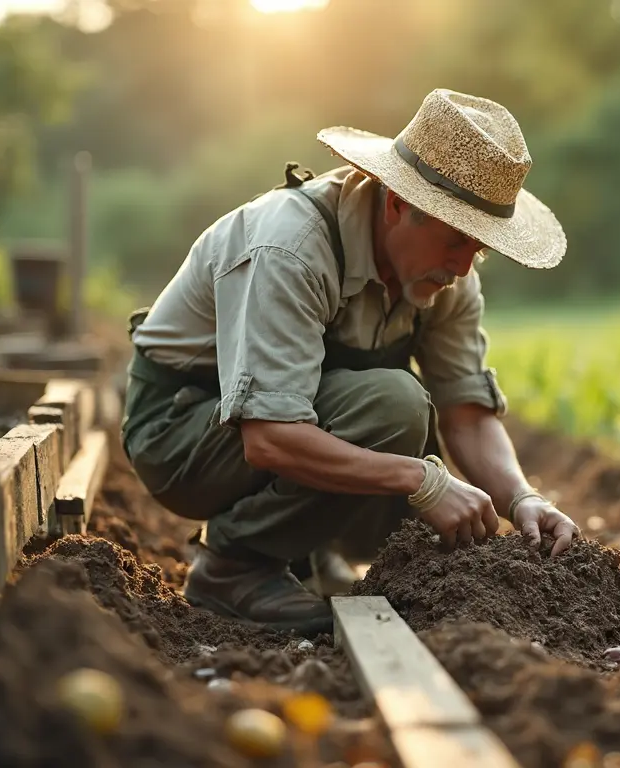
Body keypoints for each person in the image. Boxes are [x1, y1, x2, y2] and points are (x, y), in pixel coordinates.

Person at [120, 89, 581, 636]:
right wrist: (421, 479)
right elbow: (267, 438)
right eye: (456, 238)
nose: (463, 266)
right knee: (396, 406)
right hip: (181, 430)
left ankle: (304, 551)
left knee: (411, 437)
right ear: (396, 204)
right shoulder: (291, 248)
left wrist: (520, 496)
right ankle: (234, 567)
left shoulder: (447, 278)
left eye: (479, 247)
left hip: (276, 428)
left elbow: (465, 412)